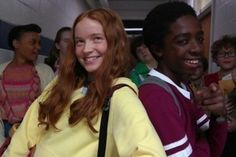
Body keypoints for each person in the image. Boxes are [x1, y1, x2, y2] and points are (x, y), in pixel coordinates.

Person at [3, 8, 166, 157]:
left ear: (115, 43)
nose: (86, 49)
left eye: (97, 38)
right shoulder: (63, 82)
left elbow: (150, 152)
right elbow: (26, 132)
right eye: (80, 41)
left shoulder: (119, 93)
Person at [139, 1, 227, 157]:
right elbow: (206, 141)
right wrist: (201, 139)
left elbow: (214, 149)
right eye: (183, 41)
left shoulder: (183, 86)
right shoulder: (156, 95)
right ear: (158, 49)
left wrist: (218, 114)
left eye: (199, 39)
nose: (197, 49)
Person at [0, 24, 55, 137]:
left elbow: (52, 106)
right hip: (4, 134)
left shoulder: (44, 72)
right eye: (32, 42)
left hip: (34, 133)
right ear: (16, 44)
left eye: (39, 43)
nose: (38, 47)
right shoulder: (1, 71)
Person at [203, 35, 236, 157]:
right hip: (214, 131)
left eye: (231, 53)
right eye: (222, 54)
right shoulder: (207, 79)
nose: (226, 57)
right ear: (215, 59)